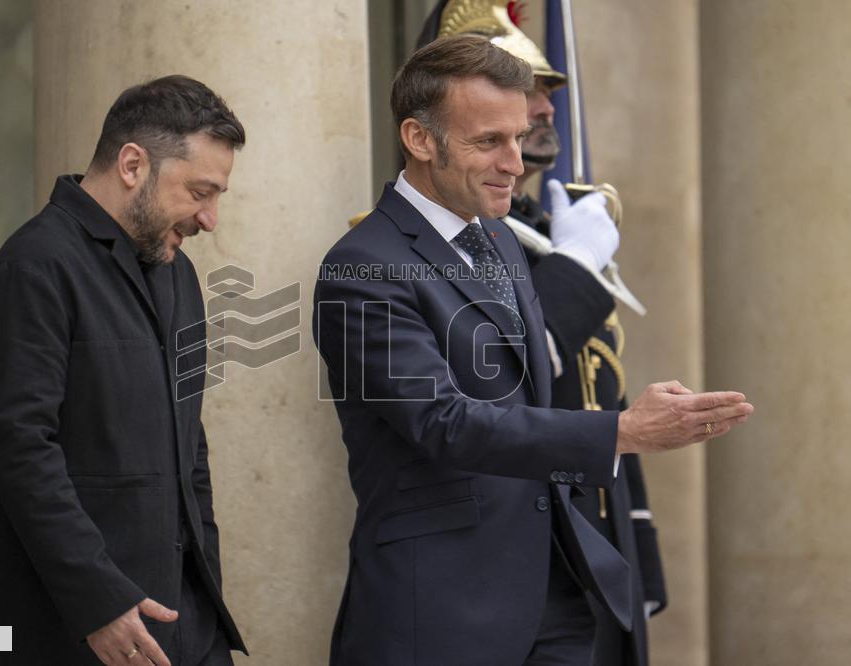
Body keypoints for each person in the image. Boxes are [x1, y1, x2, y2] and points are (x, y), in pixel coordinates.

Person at [313, 35, 752, 665]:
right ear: (418, 139)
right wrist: (620, 431)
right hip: (439, 613)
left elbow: (525, 394)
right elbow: (443, 423)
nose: (515, 163)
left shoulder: (501, 240)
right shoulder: (360, 268)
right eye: (488, 141)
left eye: (518, 138)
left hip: (557, 598)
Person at [0, 75, 247, 666]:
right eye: (200, 191)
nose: (210, 218)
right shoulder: (32, 269)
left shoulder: (179, 277)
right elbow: (22, 454)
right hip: (75, 634)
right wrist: (98, 603)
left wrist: (208, 603)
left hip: (189, 631)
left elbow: (188, 448)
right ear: (131, 164)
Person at [421, 3, 669, 663]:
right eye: (525, 91)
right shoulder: (425, 252)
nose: (545, 110)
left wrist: (635, 544)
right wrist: (577, 269)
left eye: (543, 92)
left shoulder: (536, 234)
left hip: (593, 548)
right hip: (508, 564)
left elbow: (598, 388)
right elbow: (496, 381)